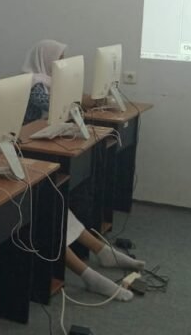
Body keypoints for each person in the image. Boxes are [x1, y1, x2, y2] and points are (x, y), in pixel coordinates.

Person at [22, 39, 146, 300]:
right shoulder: (34, 85)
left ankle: (101, 252)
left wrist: (92, 97)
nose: (62, 63)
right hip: (27, 152)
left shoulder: (50, 82)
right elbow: (57, 105)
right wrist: (82, 99)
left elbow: (70, 102)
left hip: (37, 148)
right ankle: (89, 272)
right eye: (58, 58)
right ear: (45, 59)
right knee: (50, 209)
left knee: (56, 205)